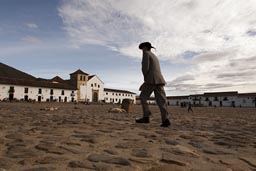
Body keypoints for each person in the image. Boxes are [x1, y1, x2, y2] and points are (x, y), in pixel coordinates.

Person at [136, 42, 171, 127]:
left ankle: (146, 116)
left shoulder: (146, 53)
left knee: (143, 97)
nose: (142, 50)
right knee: (162, 101)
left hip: (151, 79)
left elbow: (145, 68)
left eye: (142, 48)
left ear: (145, 48)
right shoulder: (154, 56)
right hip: (160, 79)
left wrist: (146, 80)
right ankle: (165, 120)